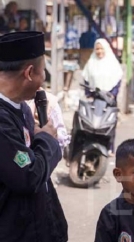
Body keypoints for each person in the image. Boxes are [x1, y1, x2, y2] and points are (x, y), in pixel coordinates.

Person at [0, 31, 67, 241]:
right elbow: (28, 175)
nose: (43, 82)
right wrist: (47, 139)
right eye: (43, 73)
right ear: (29, 73)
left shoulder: (23, 109)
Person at [82, 38, 123, 156]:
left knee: (109, 123)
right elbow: (86, 78)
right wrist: (89, 93)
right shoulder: (91, 63)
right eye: (97, 49)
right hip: (95, 98)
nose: (99, 51)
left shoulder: (112, 63)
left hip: (109, 99)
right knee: (93, 121)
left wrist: (113, 94)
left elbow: (117, 79)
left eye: (101, 49)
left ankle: (110, 147)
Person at [26, 88, 70, 153]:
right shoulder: (13, 101)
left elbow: (62, 136)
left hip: (43, 155)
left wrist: (49, 136)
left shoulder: (49, 100)